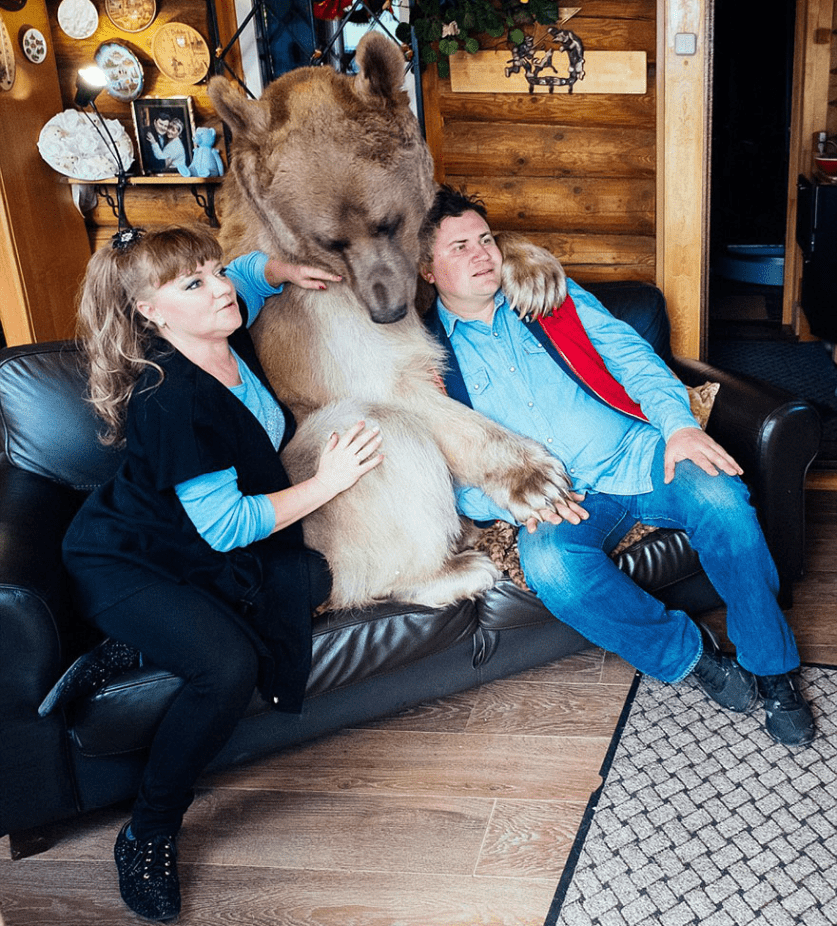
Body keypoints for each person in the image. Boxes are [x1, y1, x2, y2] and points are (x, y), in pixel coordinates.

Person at [52, 224, 383, 922]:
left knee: (308, 580)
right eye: (194, 283)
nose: (222, 287)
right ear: (150, 312)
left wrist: (283, 267)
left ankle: (132, 647)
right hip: (127, 559)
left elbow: (248, 273)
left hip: (188, 547)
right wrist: (331, 479)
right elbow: (229, 526)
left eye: (212, 269)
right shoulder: (169, 396)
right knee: (227, 665)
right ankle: (148, 830)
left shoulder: (219, 328)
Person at [420, 185, 814, 750]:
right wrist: (512, 499)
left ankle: (773, 670)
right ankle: (692, 656)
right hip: (561, 496)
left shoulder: (546, 295)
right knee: (552, 568)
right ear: (426, 270)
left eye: (485, 239)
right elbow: (449, 467)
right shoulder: (427, 358)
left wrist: (679, 426)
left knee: (725, 502)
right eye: (459, 247)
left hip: (636, 453)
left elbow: (633, 357)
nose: (482, 254)